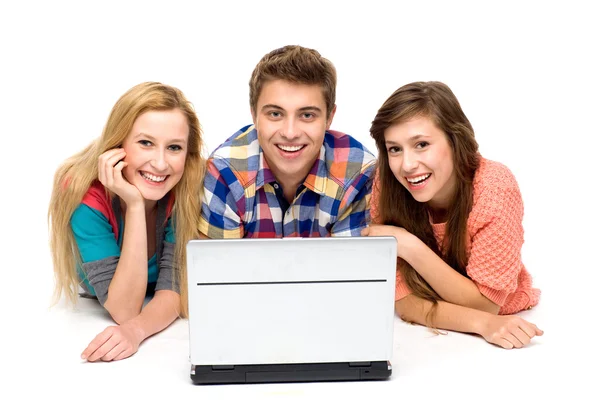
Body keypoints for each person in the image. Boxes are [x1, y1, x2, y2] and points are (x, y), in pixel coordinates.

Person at [362, 81, 543, 349]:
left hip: (502, 317)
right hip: (419, 339)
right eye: (395, 149)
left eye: (421, 144)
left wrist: (410, 247)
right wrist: (481, 323)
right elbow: (405, 303)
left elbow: (486, 304)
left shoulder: (494, 188)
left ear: (455, 140)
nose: (407, 165)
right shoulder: (386, 183)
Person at [48, 82, 205, 361]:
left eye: (174, 147)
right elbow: (125, 308)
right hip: (110, 295)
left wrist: (135, 331)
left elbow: (173, 289)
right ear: (119, 143)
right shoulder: (82, 192)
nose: (160, 163)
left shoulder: (187, 187)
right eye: (145, 143)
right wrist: (134, 205)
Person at [199, 45, 376, 239]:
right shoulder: (225, 172)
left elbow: (349, 266)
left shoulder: (357, 174)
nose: (290, 133)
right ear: (254, 115)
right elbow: (221, 266)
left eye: (307, 115)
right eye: (275, 114)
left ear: (329, 118)